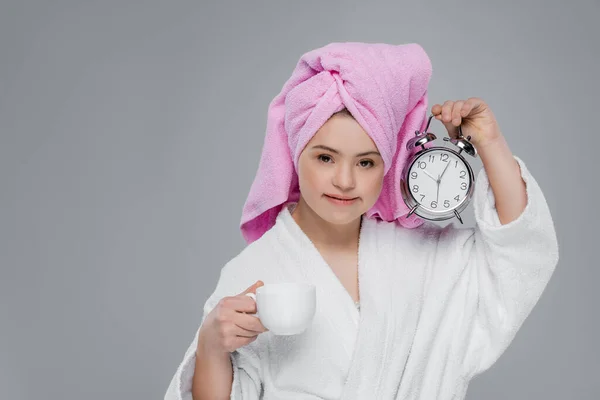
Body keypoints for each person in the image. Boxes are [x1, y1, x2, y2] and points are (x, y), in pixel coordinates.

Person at [164, 42, 559, 400]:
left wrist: (488, 142)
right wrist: (212, 348)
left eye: (366, 162)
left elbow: (518, 255)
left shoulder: (425, 256)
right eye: (325, 157)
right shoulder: (254, 273)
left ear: (387, 167)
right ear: (294, 153)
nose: (345, 181)